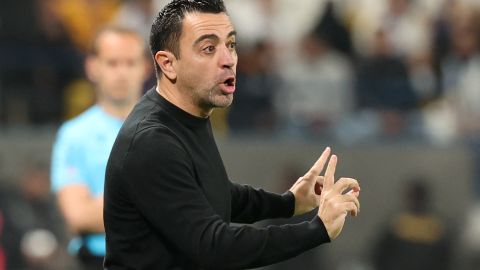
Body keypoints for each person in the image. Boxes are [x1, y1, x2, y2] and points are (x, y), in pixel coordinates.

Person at [104, 0, 361, 269]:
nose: (228, 60)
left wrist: (288, 203)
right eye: (208, 48)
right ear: (168, 64)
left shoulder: (185, 114)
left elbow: (208, 193)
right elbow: (215, 246)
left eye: (231, 45)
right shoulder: (151, 141)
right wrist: (317, 229)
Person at [50, 26, 147, 269]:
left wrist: (103, 205)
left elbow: (191, 212)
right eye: (112, 63)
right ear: (92, 67)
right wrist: (153, 199)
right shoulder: (73, 135)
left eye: (130, 63)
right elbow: (77, 216)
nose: (122, 72)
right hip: (97, 261)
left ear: (145, 68)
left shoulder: (174, 130)